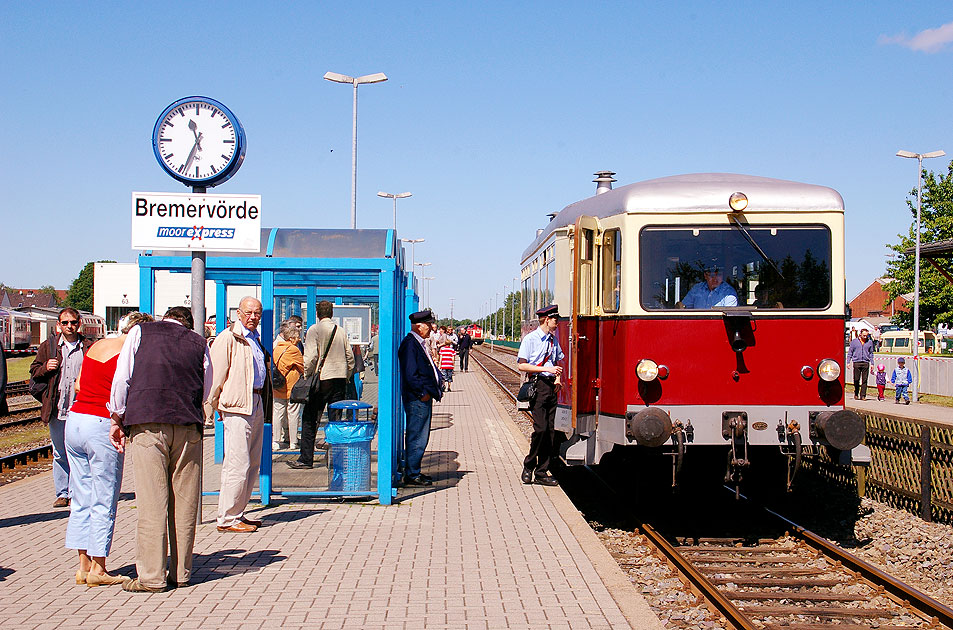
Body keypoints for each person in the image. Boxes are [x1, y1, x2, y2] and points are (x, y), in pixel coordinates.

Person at [108, 306, 211, 593]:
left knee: (153, 501)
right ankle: (181, 572)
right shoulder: (199, 342)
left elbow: (122, 378)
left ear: (164, 317)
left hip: (147, 423)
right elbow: (207, 387)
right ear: (188, 324)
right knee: (185, 502)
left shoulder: (141, 332)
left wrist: (117, 417)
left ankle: (152, 577)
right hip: (188, 425)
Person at [66, 312, 153, 587]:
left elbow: (79, 383)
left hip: (75, 419)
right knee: (105, 495)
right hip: (102, 423)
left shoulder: (97, 346)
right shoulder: (130, 355)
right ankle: (99, 568)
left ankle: (82, 565)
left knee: (81, 496)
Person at [208, 296, 273, 533]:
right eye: (248, 313)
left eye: (257, 313)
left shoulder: (254, 339)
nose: (253, 317)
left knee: (252, 462)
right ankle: (227, 518)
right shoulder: (228, 338)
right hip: (236, 406)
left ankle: (238, 513)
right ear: (238, 313)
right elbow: (215, 376)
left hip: (255, 402)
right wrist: (213, 406)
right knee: (237, 462)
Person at [30, 307, 94, 507]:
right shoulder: (48, 347)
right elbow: (34, 371)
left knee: (80, 450)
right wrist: (44, 368)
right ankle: (63, 492)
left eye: (73, 322)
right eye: (65, 323)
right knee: (59, 452)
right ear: (58, 325)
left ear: (79, 324)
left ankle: (79, 491)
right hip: (57, 408)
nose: (69, 326)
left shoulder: (88, 347)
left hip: (81, 409)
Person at [290, 300, 355, 469]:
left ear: (317, 313)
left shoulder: (314, 329)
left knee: (310, 418)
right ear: (332, 313)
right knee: (335, 420)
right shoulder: (340, 331)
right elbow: (350, 357)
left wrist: (306, 375)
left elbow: (310, 356)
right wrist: (346, 375)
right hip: (339, 380)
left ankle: (306, 458)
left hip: (321, 380)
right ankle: (335, 459)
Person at [517, 305, 565, 487]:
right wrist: (547, 369)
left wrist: (558, 378)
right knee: (540, 429)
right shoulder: (531, 339)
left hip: (551, 387)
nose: (557, 322)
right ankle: (529, 465)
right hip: (538, 386)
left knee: (550, 432)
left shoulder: (553, 340)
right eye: (555, 319)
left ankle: (542, 472)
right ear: (546, 319)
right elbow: (522, 365)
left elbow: (557, 361)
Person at [398, 310, 443, 486]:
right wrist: (422, 393)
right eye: (428, 325)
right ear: (419, 326)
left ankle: (414, 470)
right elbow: (411, 374)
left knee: (421, 435)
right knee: (417, 436)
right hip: (417, 399)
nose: (431, 328)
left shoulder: (418, 343)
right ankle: (412, 474)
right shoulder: (410, 344)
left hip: (421, 398)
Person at [272, 319, 304, 452]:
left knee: (278, 413)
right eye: (296, 337)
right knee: (293, 414)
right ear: (291, 337)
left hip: (278, 387)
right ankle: (293, 441)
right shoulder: (293, 350)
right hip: (291, 386)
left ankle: (275, 441)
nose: (298, 339)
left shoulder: (277, 348)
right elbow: (303, 366)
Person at [846, 328, 874, 400]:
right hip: (857, 362)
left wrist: (872, 363)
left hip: (865, 362)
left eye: (866, 336)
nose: (865, 337)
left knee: (864, 380)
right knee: (856, 379)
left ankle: (863, 395)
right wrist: (848, 362)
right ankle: (856, 393)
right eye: (864, 335)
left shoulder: (870, 342)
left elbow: (871, 353)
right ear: (860, 334)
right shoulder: (854, 342)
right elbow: (850, 352)